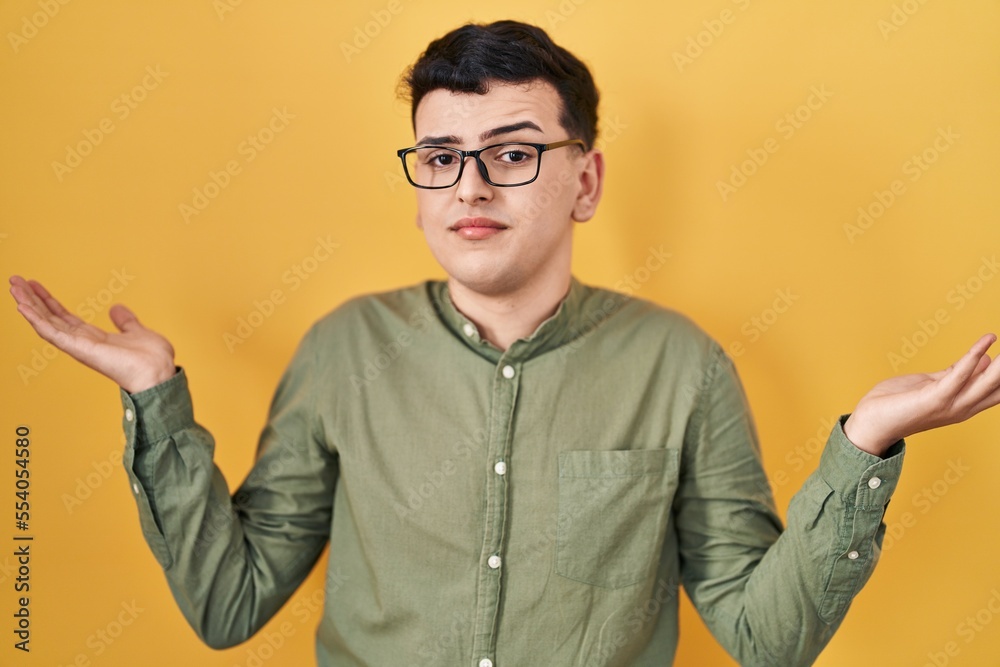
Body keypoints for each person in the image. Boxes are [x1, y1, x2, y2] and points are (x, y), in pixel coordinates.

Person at [8, 20, 1000, 667]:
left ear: (587, 180)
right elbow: (229, 605)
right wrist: (156, 398)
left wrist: (862, 445)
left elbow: (761, 637)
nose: (470, 187)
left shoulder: (680, 365)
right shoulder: (343, 349)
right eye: (441, 157)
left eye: (513, 153)